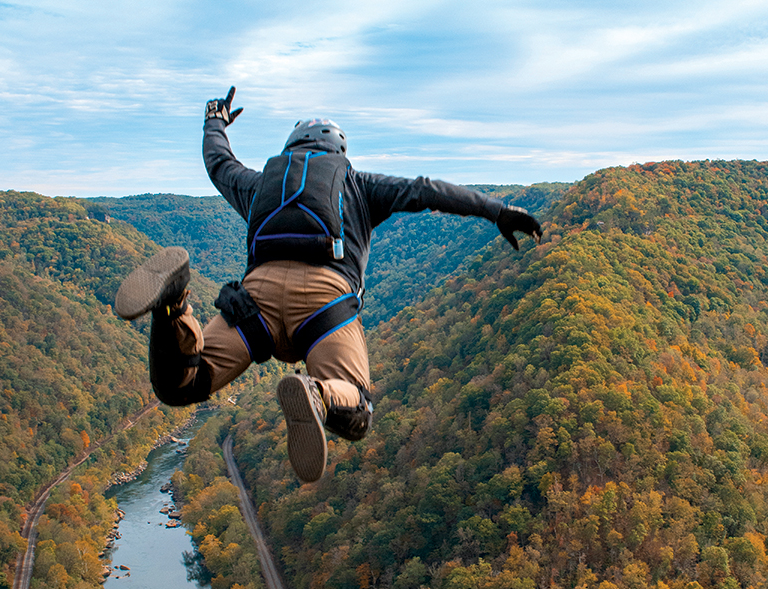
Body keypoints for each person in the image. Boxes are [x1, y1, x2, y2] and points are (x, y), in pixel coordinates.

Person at [115, 87, 542, 483]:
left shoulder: (262, 183)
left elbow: (218, 163)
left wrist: (216, 120)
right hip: (323, 306)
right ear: (339, 152)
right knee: (356, 410)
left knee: (181, 385)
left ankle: (173, 307)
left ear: (290, 149)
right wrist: (496, 210)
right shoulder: (357, 183)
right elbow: (426, 191)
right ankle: (318, 395)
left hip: (253, 303)